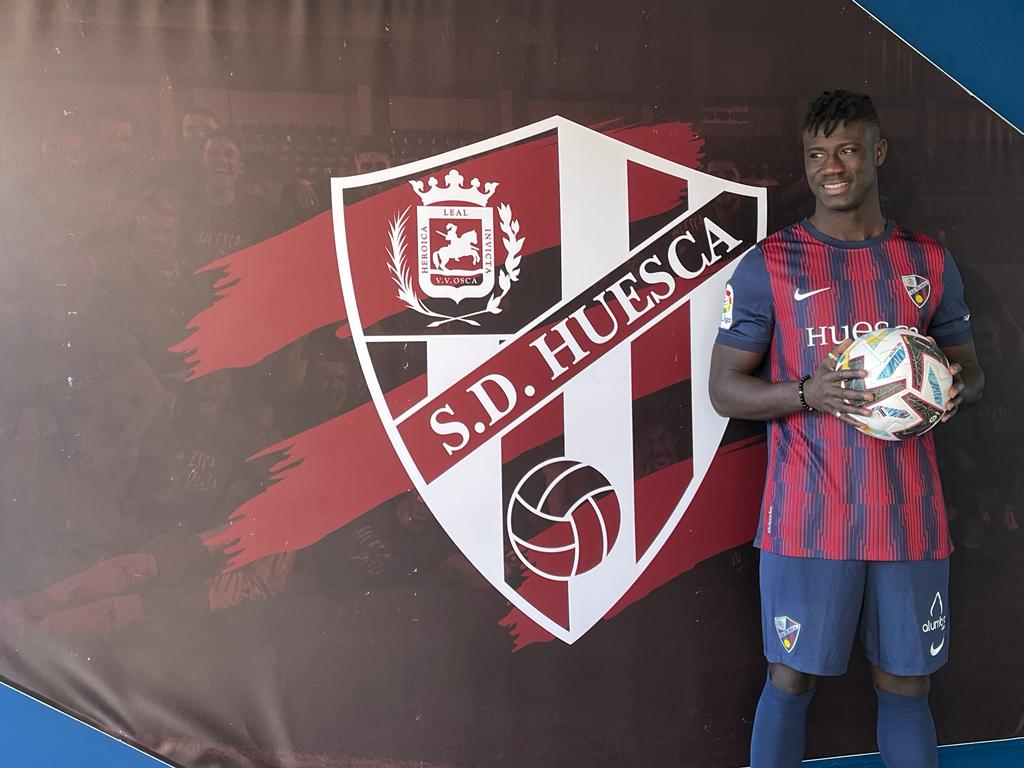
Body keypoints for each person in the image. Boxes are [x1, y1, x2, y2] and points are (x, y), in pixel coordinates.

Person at [708, 90, 985, 768]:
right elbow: (724, 390)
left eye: (848, 149)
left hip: (908, 516)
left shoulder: (928, 262)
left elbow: (972, 373)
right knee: (791, 678)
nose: (832, 166)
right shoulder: (771, 264)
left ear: (877, 153)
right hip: (808, 514)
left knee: (907, 683)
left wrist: (947, 393)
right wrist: (809, 392)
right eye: (817, 154)